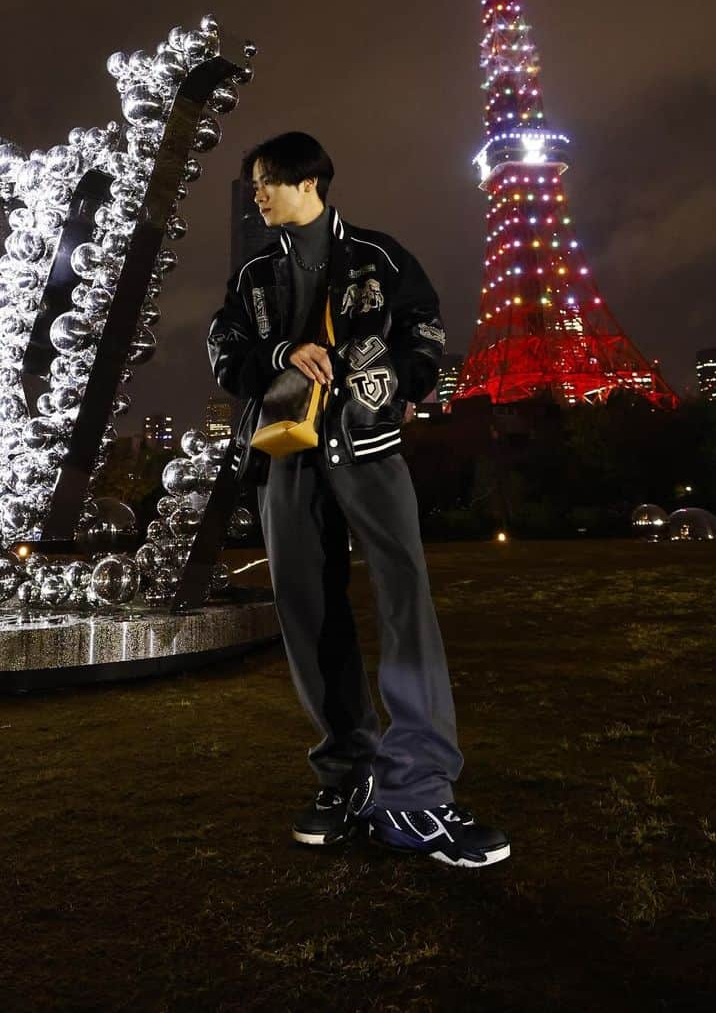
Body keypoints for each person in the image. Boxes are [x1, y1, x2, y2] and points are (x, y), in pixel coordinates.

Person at [207, 131, 509, 869]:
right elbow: (225, 352)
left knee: (406, 602)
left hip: (370, 454)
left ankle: (420, 790)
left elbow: (426, 330)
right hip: (287, 459)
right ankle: (347, 773)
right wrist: (280, 355)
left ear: (306, 181)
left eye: (264, 183)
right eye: (253, 187)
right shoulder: (251, 272)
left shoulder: (379, 256)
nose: (257, 196)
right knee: (308, 614)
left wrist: (399, 384)